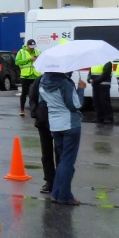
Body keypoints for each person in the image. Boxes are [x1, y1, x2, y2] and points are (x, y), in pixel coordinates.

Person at [38, 71, 86, 205]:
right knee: (67, 161)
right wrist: (81, 89)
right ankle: (64, 196)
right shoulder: (65, 83)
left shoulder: (42, 82)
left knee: (63, 161)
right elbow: (75, 105)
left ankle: (56, 193)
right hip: (70, 124)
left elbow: (42, 101)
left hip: (54, 125)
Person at [29, 75, 59, 194]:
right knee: (47, 153)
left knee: (59, 153)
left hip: (58, 121)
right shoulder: (40, 80)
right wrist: (35, 113)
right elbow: (32, 97)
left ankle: (59, 181)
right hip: (44, 120)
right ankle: (49, 181)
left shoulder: (63, 80)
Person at [15, 39, 41, 116]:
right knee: (24, 93)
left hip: (35, 75)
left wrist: (39, 58)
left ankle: (35, 110)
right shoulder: (21, 52)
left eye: (33, 47)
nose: (32, 48)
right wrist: (29, 59)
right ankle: (22, 109)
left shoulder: (38, 52)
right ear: (27, 45)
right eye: (31, 47)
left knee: (35, 94)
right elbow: (17, 62)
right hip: (25, 76)